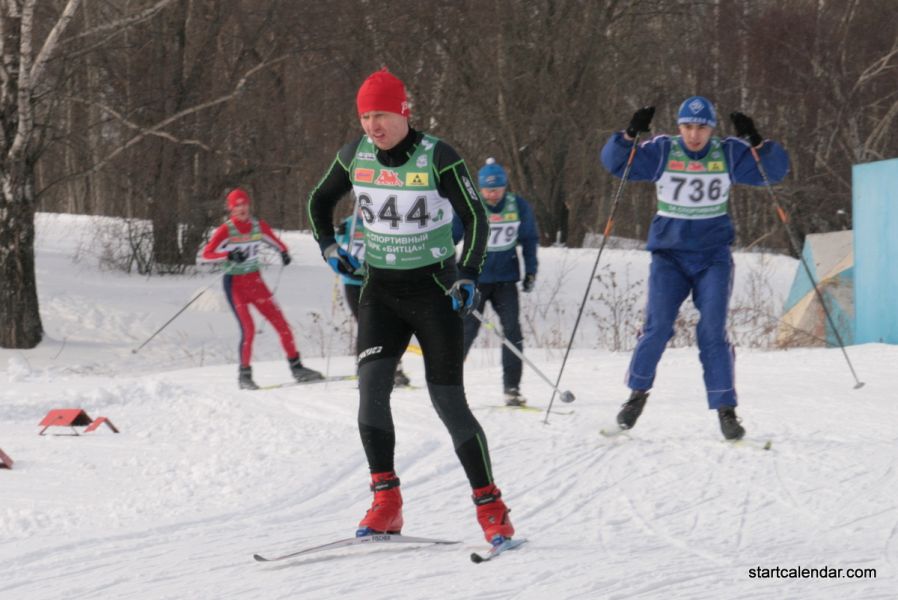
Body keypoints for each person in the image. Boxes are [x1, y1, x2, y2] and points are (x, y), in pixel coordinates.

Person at [307, 67, 516, 545]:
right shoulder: (354, 156)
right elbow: (319, 201)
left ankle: (491, 506)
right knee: (371, 391)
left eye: (380, 114)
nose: (372, 126)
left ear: (403, 112)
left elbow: (475, 217)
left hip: (434, 291)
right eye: (364, 116)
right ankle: (387, 502)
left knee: (447, 401)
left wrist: (468, 272)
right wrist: (328, 247)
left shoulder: (437, 156)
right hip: (380, 292)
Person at [600, 96, 790, 440]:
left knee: (712, 331)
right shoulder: (662, 151)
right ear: (679, 127)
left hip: (712, 257)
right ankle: (636, 397)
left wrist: (757, 141)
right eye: (688, 126)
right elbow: (616, 165)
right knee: (657, 328)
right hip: (669, 257)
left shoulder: (728, 152)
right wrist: (630, 134)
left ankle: (725, 410)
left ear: (712, 129)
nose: (694, 135)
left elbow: (774, 172)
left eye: (701, 127)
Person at [202, 187, 323, 389]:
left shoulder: (258, 226)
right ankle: (244, 376)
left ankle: (297, 368)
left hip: (256, 283)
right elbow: (206, 254)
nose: (241, 209)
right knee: (248, 329)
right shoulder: (226, 230)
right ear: (231, 209)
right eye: (237, 205)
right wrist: (228, 256)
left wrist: (284, 253)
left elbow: (278, 244)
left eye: (244, 204)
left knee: (282, 324)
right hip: (235, 284)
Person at [452, 158, 539, 406]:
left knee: (513, 332)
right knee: (465, 333)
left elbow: (530, 239)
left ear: (504, 187)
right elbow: (451, 238)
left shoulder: (517, 205)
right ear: (479, 188)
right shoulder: (470, 206)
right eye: (488, 189)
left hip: (505, 281)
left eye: (497, 189)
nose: (492, 194)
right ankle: (449, 387)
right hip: (473, 281)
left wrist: (531, 271)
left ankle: (512, 388)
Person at [334, 211, 411, 387]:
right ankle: (365, 370)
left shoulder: (385, 220)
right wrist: (339, 235)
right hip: (354, 281)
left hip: (379, 279)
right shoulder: (349, 224)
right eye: (361, 204)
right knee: (366, 325)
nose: (366, 207)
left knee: (390, 325)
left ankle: (394, 368)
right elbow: (338, 249)